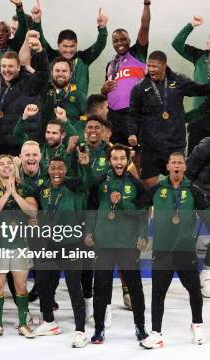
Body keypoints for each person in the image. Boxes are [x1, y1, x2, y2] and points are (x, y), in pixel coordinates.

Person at [139, 152, 207, 349]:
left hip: (185, 250)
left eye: (180, 162)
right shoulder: (157, 189)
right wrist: (142, 233)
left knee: (194, 290)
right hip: (162, 250)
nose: (177, 165)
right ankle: (156, 333)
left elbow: (207, 214)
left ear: (185, 167)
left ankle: (197, 325)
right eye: (173, 162)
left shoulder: (193, 191)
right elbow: (139, 209)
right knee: (158, 293)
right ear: (168, 167)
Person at [83, 144, 148, 344]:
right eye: (115, 159)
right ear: (109, 161)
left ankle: (140, 327)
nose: (118, 162)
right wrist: (88, 232)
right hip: (103, 243)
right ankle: (99, 328)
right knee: (101, 287)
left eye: (122, 158)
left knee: (135, 286)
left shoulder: (136, 185)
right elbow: (92, 210)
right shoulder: (100, 183)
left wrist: (143, 235)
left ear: (127, 161)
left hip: (128, 244)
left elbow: (142, 214)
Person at [31, 154, 91, 348]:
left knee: (74, 287)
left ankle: (80, 331)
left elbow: (88, 183)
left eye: (60, 168)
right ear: (48, 170)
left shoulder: (74, 186)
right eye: (53, 168)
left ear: (65, 170)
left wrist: (85, 166)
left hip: (72, 244)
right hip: (49, 244)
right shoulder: (42, 190)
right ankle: (49, 322)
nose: (56, 172)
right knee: (43, 283)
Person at [128, 50, 210, 188]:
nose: (151, 69)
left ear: (164, 66)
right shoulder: (140, 88)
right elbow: (134, 114)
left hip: (174, 144)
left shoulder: (178, 81)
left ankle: (176, 209)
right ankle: (151, 209)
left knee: (178, 185)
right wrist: (132, 133)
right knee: (149, 187)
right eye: (149, 66)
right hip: (150, 146)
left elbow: (200, 90)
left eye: (155, 66)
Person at [0, 154, 38, 338]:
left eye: (9, 163)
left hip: (19, 245)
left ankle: (23, 324)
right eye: (1, 164)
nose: (6, 166)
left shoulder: (26, 188)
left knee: (20, 286)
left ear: (15, 168)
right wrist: (6, 193)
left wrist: (15, 192)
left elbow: (32, 211)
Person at [0, 31, 48, 156]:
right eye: (3, 66)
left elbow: (43, 74)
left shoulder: (29, 82)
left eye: (11, 66)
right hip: (0, 147)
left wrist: (40, 51)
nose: (6, 70)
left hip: (23, 147)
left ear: (19, 67)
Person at [101, 0, 151, 146]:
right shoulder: (110, 65)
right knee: (116, 152)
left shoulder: (137, 53)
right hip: (114, 116)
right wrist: (103, 90)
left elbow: (145, 27)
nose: (120, 43)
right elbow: (107, 91)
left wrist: (146, 5)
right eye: (116, 40)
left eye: (123, 39)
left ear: (129, 40)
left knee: (136, 151)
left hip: (133, 113)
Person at [32, 4, 108, 95]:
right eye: (65, 46)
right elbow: (40, 40)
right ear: (58, 45)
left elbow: (100, 45)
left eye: (72, 46)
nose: (68, 50)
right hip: (52, 106)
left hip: (76, 107)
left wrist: (102, 28)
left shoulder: (84, 58)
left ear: (76, 45)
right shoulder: (50, 55)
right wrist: (37, 21)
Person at [172, 15, 210, 154]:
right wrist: (191, 25)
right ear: (208, 43)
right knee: (195, 159)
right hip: (198, 117)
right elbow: (177, 44)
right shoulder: (199, 55)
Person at [14, 105, 78, 175]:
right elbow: (18, 136)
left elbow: (75, 139)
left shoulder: (67, 150)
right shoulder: (38, 149)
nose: (50, 136)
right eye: (48, 132)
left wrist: (65, 120)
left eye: (54, 133)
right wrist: (25, 117)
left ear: (62, 135)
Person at [185, 137, 210, 297]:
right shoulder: (207, 144)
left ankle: (206, 274)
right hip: (202, 196)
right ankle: (207, 276)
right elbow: (188, 172)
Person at [40, 56, 87, 139]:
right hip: (46, 144)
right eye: (57, 71)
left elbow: (84, 123)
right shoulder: (43, 91)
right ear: (51, 72)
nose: (60, 74)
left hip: (69, 144)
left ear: (71, 74)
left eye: (64, 71)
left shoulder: (79, 96)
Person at [0, 0, 28, 80]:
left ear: (10, 34)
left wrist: (19, 7)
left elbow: (22, 28)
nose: (1, 33)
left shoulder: (14, 46)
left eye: (5, 31)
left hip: (11, 86)